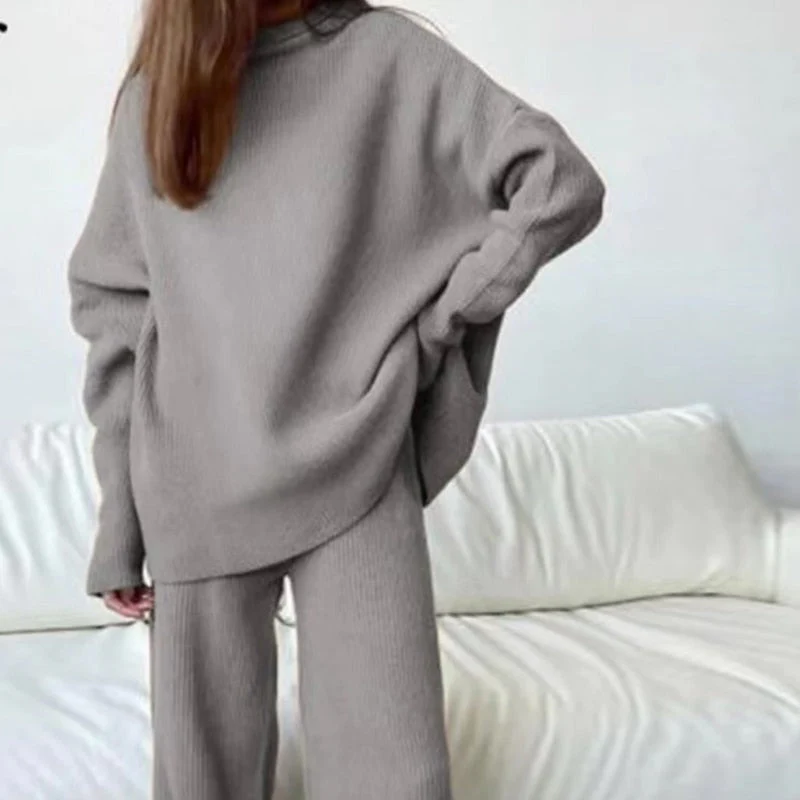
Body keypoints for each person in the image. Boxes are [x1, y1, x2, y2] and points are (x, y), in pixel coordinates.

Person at [66, 0, 606, 797]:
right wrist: (120, 522)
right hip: (195, 485)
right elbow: (116, 313)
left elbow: (557, 180)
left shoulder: (385, 55)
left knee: (390, 774)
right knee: (202, 780)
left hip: (357, 468)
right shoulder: (160, 95)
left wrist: (446, 315)